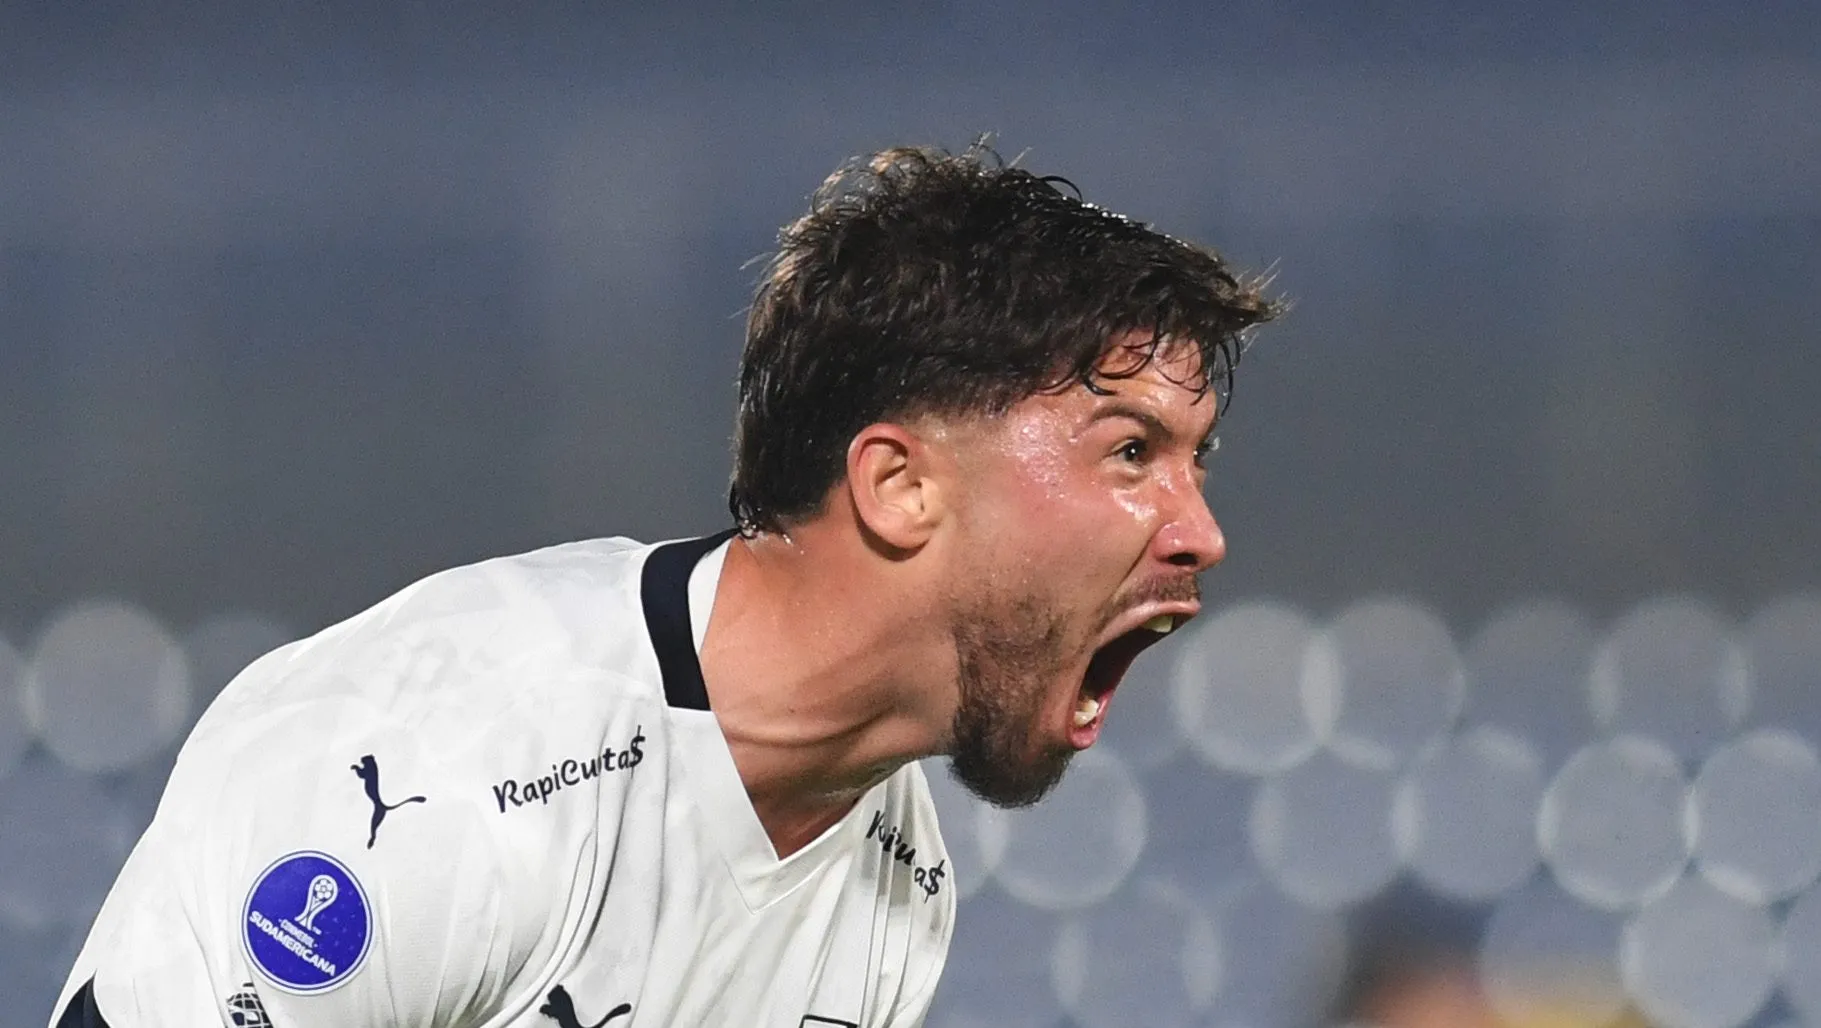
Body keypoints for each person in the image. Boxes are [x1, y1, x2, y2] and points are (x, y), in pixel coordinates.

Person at [50, 143, 1278, 1028]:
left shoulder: (896, 890)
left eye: (1194, 462)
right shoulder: (445, 760)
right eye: (1130, 451)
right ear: (900, 485)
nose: (1201, 532)